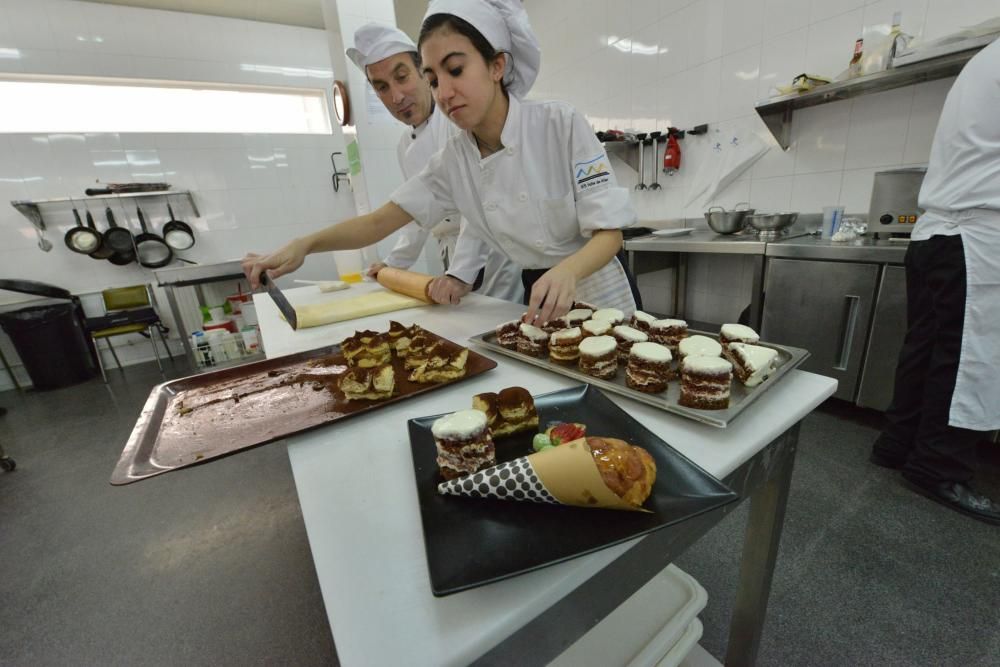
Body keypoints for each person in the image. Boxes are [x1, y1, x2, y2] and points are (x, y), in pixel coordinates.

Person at [243, 0, 638, 325]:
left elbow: (610, 234)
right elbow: (380, 221)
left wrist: (568, 271)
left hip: (598, 286)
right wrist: (304, 244)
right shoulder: (452, 160)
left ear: (496, 66)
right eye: (433, 79)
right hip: (537, 294)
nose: (445, 92)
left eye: (456, 70)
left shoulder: (559, 123)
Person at [870, 39, 1000, 525]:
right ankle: (937, 468)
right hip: (976, 233)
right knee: (964, 358)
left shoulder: (986, 57)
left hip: (939, 233)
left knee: (926, 347)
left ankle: (897, 444)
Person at [347, 23, 522, 303]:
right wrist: (393, 265)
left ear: (423, 72)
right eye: (381, 88)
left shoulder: (459, 121)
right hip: (451, 253)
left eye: (402, 77)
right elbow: (415, 214)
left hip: (489, 252)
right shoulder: (404, 145)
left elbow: (480, 207)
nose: (397, 97)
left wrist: (460, 273)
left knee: (497, 323)